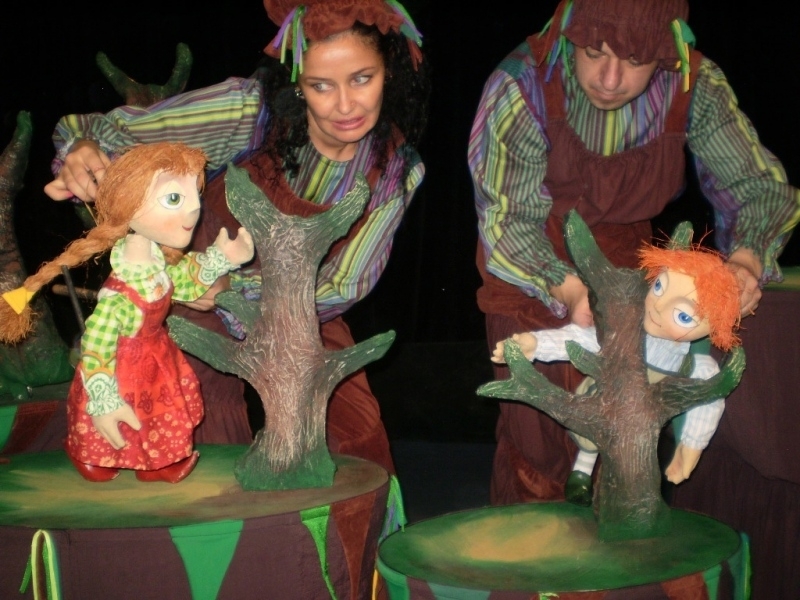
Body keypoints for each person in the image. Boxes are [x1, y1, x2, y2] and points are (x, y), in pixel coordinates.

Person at [43, 0, 430, 476]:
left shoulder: (395, 168)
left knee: (356, 435)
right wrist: (84, 152)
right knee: (193, 418)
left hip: (300, 310)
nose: (345, 105)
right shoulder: (252, 112)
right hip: (188, 289)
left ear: (388, 72)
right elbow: (107, 135)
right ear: (298, 83)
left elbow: (344, 284)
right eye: (321, 85)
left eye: (361, 79)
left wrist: (235, 292)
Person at [468, 0, 800, 505]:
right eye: (593, 52)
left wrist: (746, 261)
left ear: (665, 51)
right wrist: (572, 291)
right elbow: (508, 220)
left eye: (636, 60)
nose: (609, 78)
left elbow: (760, 189)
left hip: (630, 264)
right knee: (540, 448)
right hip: (532, 265)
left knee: (625, 441)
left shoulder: (693, 83)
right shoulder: (522, 84)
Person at [1, 142, 255, 482]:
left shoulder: (156, 267)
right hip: (122, 366)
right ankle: (91, 453)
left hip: (158, 359)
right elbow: (96, 347)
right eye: (174, 199)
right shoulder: (119, 296)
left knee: (158, 414)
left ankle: (158, 461)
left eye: (194, 195)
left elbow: (183, 284)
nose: (194, 210)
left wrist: (221, 259)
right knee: (120, 416)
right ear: (130, 204)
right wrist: (103, 397)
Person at [491, 241, 741, 505]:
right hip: (604, 398)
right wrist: (535, 345)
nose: (658, 307)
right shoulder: (626, 332)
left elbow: (708, 401)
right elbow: (583, 339)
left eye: (683, 316)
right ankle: (582, 471)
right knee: (592, 430)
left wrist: (690, 448)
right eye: (659, 287)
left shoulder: (698, 367)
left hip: (641, 425)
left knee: (630, 463)